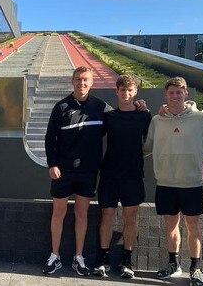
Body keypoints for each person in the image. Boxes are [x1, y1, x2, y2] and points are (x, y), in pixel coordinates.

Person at [43, 66, 112, 276]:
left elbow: (121, 117)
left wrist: (140, 106)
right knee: (59, 213)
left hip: (88, 172)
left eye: (86, 80)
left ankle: (78, 257)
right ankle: (55, 256)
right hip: (63, 171)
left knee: (82, 213)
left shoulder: (101, 107)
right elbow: (50, 138)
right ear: (72, 81)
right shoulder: (61, 107)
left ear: (92, 83)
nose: (82, 83)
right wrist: (52, 164)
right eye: (78, 79)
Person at [144, 77, 203, 286]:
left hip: (191, 183)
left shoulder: (200, 118)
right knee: (170, 224)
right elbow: (146, 147)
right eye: (171, 93)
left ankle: (195, 268)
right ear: (166, 95)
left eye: (179, 92)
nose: (175, 96)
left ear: (186, 94)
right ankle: (174, 264)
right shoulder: (157, 120)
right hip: (166, 182)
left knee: (193, 226)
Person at [92, 75, 151, 279]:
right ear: (116, 92)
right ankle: (103, 259)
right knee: (107, 216)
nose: (126, 94)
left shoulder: (144, 116)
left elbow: (153, 140)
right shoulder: (109, 117)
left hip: (133, 175)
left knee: (130, 217)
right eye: (122, 90)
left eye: (130, 90)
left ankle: (127, 260)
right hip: (109, 174)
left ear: (135, 92)